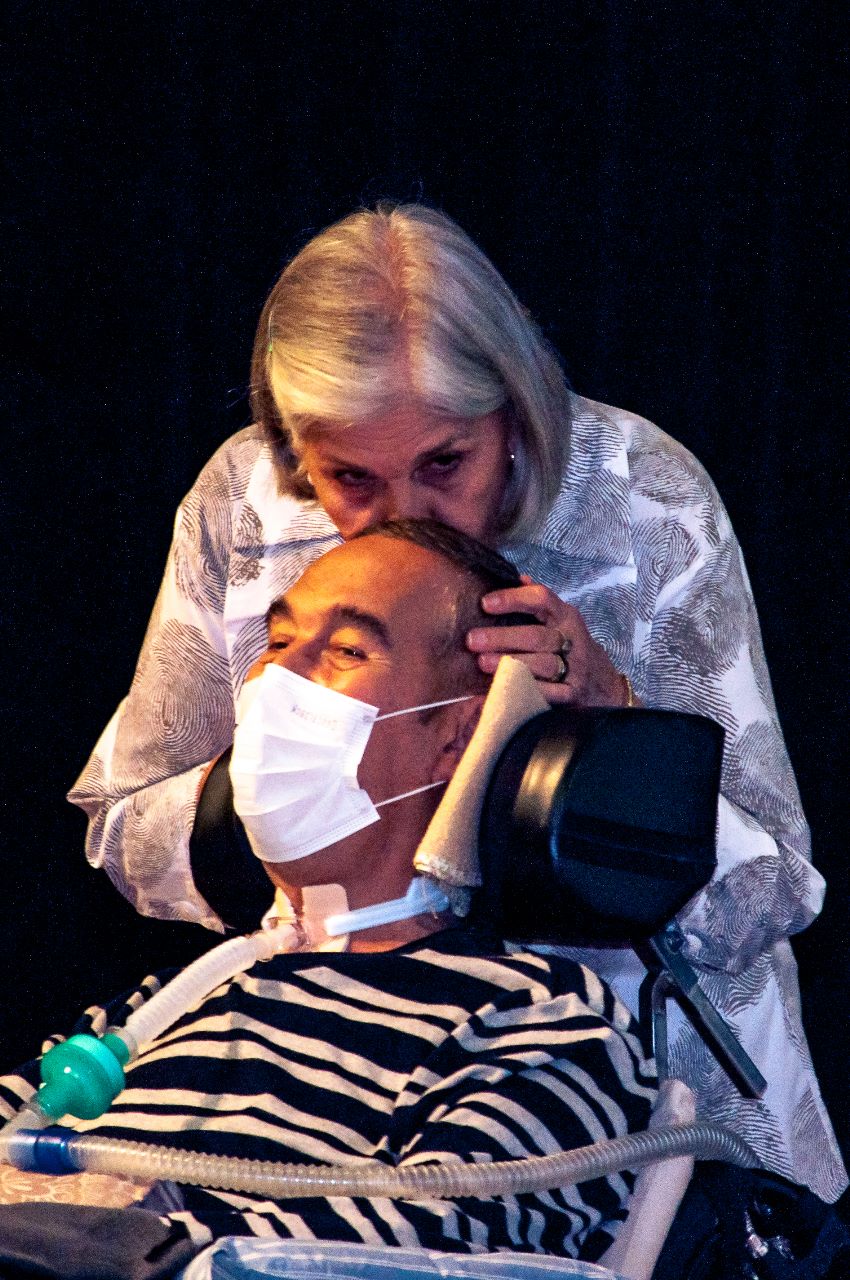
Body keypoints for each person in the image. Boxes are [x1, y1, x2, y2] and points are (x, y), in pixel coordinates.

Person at [68, 203, 844, 1201]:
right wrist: (289, 786)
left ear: (513, 414)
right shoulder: (245, 504)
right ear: (297, 452)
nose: (401, 518)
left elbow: (776, 892)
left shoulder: (641, 500)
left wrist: (615, 723)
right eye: (350, 478)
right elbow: (126, 820)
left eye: (445, 463)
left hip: (642, 1114)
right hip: (345, 1088)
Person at [1, 523, 656, 1265]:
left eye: (347, 650)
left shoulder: (537, 1022)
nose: (276, 676)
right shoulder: (166, 1005)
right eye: (278, 642)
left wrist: (115, 1234)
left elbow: (434, 1252)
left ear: (454, 738)